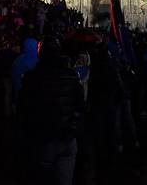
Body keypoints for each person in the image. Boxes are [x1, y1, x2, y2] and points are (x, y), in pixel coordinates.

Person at [18, 36, 85, 185]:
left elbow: (23, 108)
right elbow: (80, 104)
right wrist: (73, 126)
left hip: (44, 138)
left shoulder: (32, 77)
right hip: (67, 137)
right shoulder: (70, 74)